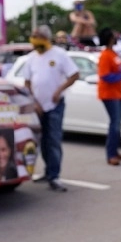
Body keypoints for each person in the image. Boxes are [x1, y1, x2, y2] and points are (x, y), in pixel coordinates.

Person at [21, 25, 80, 192]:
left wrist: (59, 90)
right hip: (38, 106)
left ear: (46, 38)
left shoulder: (59, 55)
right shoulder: (31, 58)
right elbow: (27, 82)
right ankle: (47, 172)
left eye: (37, 37)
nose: (34, 41)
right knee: (41, 141)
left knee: (53, 139)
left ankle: (54, 176)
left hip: (55, 105)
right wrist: (34, 102)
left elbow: (74, 75)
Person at [97, 27, 121, 165]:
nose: (116, 37)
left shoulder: (113, 53)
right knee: (114, 125)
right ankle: (111, 155)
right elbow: (105, 76)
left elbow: (118, 70)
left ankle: (115, 151)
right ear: (110, 38)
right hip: (109, 94)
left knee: (117, 123)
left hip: (117, 93)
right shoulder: (105, 55)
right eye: (114, 35)